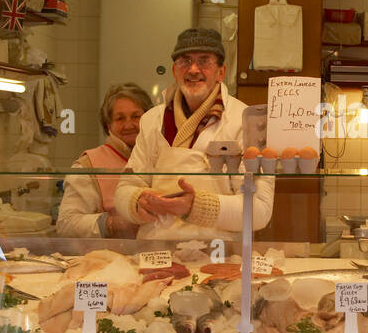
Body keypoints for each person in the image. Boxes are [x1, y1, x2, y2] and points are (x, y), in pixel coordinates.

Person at [114, 27, 274, 238]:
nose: (193, 69)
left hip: (219, 253)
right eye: (185, 61)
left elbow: (259, 210)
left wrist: (196, 207)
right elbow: (126, 187)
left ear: (221, 72)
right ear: (174, 70)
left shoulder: (247, 121)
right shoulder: (152, 120)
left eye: (204, 61)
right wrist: (136, 202)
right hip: (156, 252)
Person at [56, 83, 153, 238]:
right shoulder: (88, 165)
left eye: (136, 116)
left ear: (150, 120)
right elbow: (66, 223)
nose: (129, 125)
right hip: (113, 257)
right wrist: (111, 224)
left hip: (162, 255)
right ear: (108, 125)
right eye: (120, 118)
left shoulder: (163, 156)